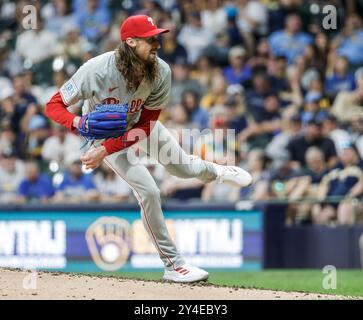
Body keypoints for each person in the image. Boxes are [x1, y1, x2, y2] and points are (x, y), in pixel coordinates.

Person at [44, 15, 252, 283]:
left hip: (137, 126)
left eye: (157, 37)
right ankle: (174, 265)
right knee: (150, 191)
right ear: (130, 41)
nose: (157, 43)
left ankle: (218, 172)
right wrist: (78, 123)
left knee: (184, 167)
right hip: (103, 134)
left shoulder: (161, 71)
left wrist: (105, 151)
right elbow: (53, 105)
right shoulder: (95, 70)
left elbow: (145, 126)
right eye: (150, 38)